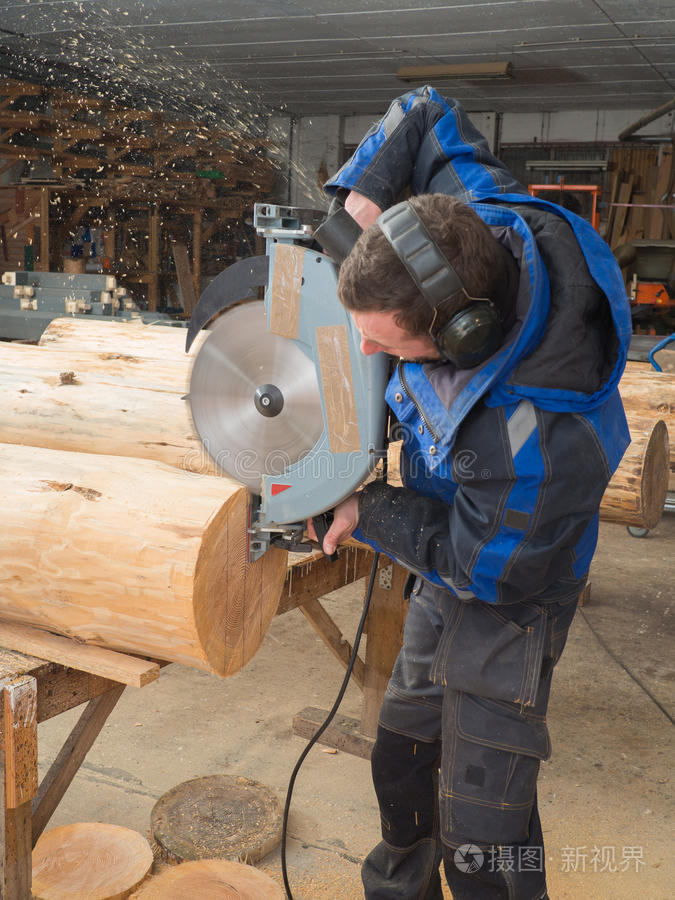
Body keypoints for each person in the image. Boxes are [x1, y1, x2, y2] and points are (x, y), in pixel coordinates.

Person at [309, 86, 632, 899]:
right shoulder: (470, 220)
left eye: (382, 343)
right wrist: (362, 197)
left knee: (484, 827)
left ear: (460, 335)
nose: (361, 348)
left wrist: (367, 508)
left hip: (511, 587)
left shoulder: (536, 443)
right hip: (454, 549)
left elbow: (480, 567)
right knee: (401, 757)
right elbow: (421, 109)